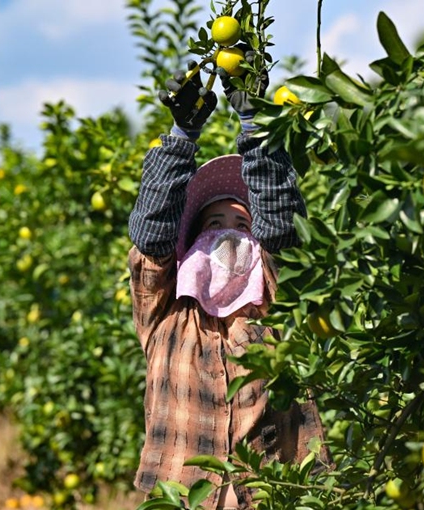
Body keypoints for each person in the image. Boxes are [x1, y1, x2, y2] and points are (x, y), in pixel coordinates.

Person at [128, 56, 331, 510]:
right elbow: (150, 236)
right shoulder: (164, 314)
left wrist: (256, 123)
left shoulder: (275, 308)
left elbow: (281, 227)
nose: (227, 233)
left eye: (241, 224)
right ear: (190, 245)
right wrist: (181, 138)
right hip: (181, 498)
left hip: (272, 496)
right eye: (213, 223)